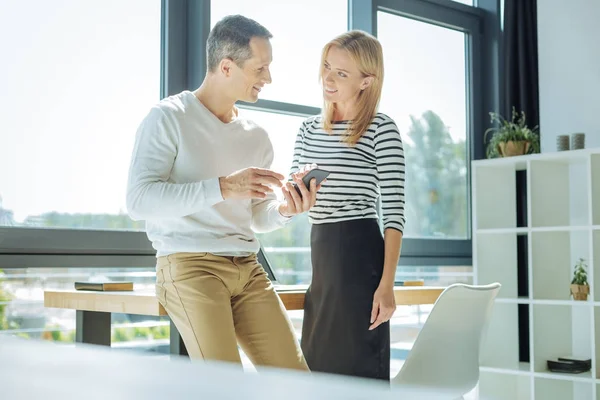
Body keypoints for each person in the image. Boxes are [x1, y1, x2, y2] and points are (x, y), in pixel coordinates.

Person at [126, 15, 322, 371]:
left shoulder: (256, 136)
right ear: (227, 67)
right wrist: (222, 187)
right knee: (224, 386)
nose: (269, 78)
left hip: (248, 269)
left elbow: (258, 216)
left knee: (297, 383)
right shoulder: (168, 118)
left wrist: (286, 210)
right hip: (190, 265)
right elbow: (139, 200)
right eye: (260, 68)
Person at [292, 30, 406, 381]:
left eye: (341, 73)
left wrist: (387, 285)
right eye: (327, 67)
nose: (328, 78)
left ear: (366, 81)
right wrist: (295, 198)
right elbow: (295, 200)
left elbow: (395, 214)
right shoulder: (307, 129)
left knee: (359, 366)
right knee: (316, 364)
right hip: (321, 250)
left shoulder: (380, 129)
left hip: (360, 255)